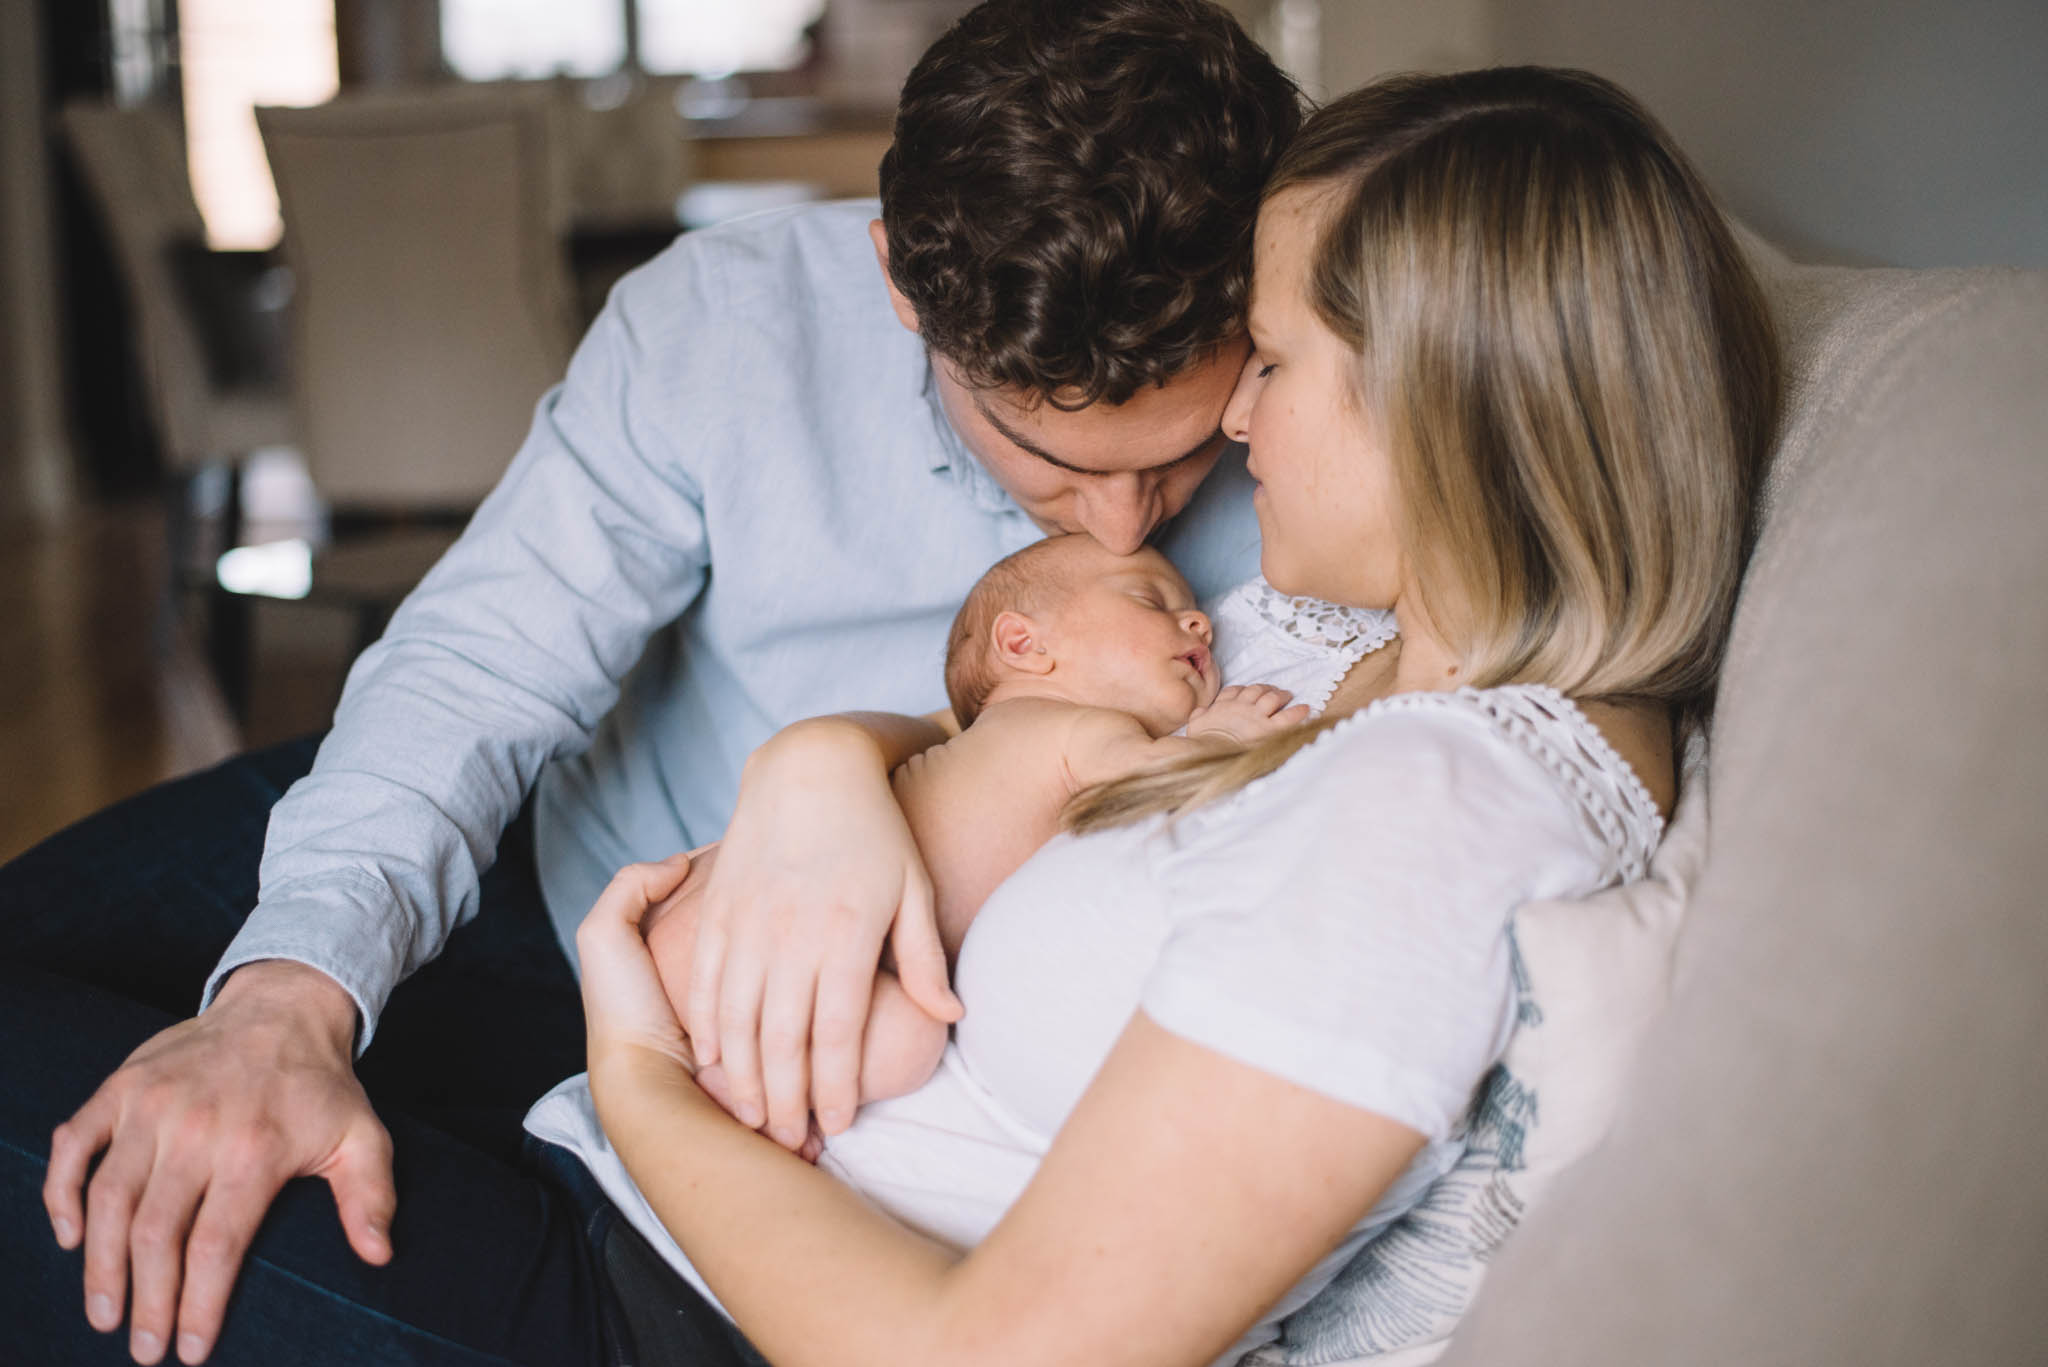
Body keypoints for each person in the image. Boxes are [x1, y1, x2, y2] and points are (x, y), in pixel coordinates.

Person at [4, 3, 1300, 1363]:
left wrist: (844, 763)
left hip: (756, 1049)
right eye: (1051, 457)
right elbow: (481, 659)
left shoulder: (1313, 418)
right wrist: (282, 1003)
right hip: (564, 845)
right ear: (902, 289)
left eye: (1180, 455)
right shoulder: (729, 321)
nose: (1120, 528)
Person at [548, 64, 1781, 1367]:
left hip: (677, 1286)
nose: (1237, 416)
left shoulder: (1433, 816)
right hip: (666, 1195)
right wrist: (825, 763)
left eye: (1276, 360)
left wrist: (634, 1075)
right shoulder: (1328, 633)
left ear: (1439, 406)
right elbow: (1016, 731)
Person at [654, 534, 1314, 1128]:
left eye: (1190, 607)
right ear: (1025, 644)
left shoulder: (987, 744)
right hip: (757, 923)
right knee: (911, 1041)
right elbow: (1156, 783)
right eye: (1151, 600)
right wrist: (1220, 737)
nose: (1197, 619)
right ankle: (733, 1095)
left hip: (722, 899)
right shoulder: (1070, 727)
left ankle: (716, 1071)